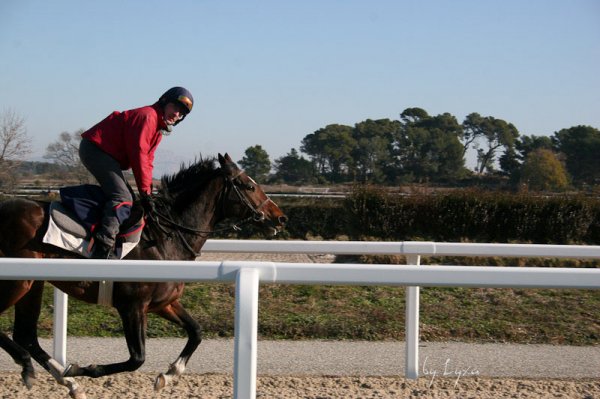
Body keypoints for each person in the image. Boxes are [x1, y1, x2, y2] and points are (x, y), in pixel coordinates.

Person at [79, 86, 194, 259]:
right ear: (165, 102)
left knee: (130, 199)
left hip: (106, 154)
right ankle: (102, 249)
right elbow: (138, 156)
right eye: (176, 108)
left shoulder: (157, 130)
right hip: (95, 150)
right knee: (122, 198)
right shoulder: (147, 117)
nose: (177, 114)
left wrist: (148, 193)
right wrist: (145, 193)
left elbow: (148, 162)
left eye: (182, 113)